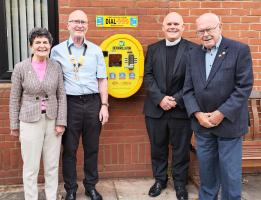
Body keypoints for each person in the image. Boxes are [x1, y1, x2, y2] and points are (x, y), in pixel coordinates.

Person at [183, 13, 253, 200]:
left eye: (209, 29)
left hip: (229, 124)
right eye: (201, 31)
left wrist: (220, 113)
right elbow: (187, 90)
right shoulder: (192, 55)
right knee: (207, 173)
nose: (205, 34)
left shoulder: (239, 50)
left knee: (230, 175)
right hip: (203, 126)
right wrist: (198, 114)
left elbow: (243, 87)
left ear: (220, 26)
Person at [51, 10, 108, 200]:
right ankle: (71, 189)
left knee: (92, 147)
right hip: (69, 103)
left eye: (83, 21)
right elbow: (54, 82)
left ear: (87, 26)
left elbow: (102, 80)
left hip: (93, 103)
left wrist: (104, 105)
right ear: (68, 25)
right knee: (69, 149)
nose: (79, 25)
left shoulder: (96, 50)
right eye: (75, 21)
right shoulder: (56, 50)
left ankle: (91, 186)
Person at [9, 27, 67, 200]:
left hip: (52, 121)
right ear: (31, 46)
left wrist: (61, 121)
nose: (42, 45)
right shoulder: (20, 68)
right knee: (31, 167)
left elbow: (61, 95)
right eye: (38, 42)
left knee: (51, 165)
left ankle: (51, 196)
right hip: (29, 121)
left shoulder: (56, 67)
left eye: (45, 42)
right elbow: (14, 98)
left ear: (50, 45)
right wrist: (14, 125)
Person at [143, 12, 196, 200]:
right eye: (169, 24)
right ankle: (160, 180)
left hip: (181, 109)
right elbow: (147, 77)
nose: (172, 27)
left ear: (183, 27)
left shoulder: (193, 49)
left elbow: (194, 80)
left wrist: (174, 99)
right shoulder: (153, 49)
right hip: (155, 110)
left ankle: (180, 184)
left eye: (176, 24)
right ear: (163, 27)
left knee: (181, 149)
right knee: (158, 147)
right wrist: (160, 99)